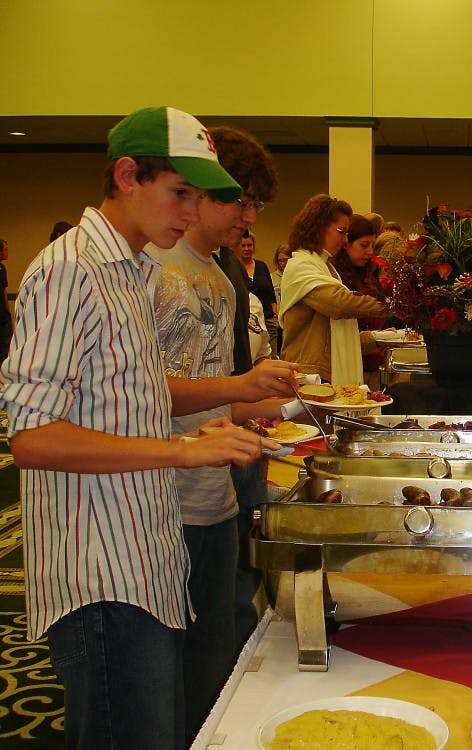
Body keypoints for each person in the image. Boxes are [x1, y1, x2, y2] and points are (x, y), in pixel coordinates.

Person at [0, 106, 290, 750]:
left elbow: (129, 396)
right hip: (100, 570)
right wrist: (181, 452)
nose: (191, 212)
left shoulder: (131, 269)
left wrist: (219, 420)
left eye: (198, 195)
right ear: (127, 175)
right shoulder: (68, 268)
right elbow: (32, 439)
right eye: (179, 192)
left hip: (145, 553)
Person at [147, 123, 289, 744]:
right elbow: (147, 389)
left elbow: (209, 379)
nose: (249, 216)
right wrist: (239, 388)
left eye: (256, 204)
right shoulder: (151, 265)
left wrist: (254, 404)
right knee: (162, 668)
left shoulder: (221, 273)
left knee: (217, 647)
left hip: (215, 489)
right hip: (159, 495)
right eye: (242, 200)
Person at [279, 194, 387, 384]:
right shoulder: (301, 265)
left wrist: (379, 336)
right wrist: (390, 305)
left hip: (322, 371)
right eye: (341, 231)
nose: (345, 240)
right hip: (309, 373)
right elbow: (340, 305)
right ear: (319, 228)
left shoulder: (326, 267)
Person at [333, 214, 390, 390]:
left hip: (372, 366)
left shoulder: (369, 276)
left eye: (373, 245)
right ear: (345, 244)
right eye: (364, 245)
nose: (370, 252)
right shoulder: (334, 280)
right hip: (344, 369)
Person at [238, 230, 279, 351]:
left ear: (254, 247)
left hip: (268, 320)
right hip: (249, 324)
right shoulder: (235, 267)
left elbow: (272, 294)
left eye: (249, 245)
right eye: (243, 245)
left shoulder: (262, 266)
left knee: (272, 358)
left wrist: (274, 314)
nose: (246, 249)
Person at [270, 244, 291, 354]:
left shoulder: (297, 277)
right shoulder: (272, 278)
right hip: (278, 322)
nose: (282, 264)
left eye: (285, 260)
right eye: (280, 261)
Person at [0, 238, 11, 362]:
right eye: (5, 249)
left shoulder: (2, 269)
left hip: (3, 315)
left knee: (5, 345)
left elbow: (4, 291)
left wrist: (8, 312)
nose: (7, 252)